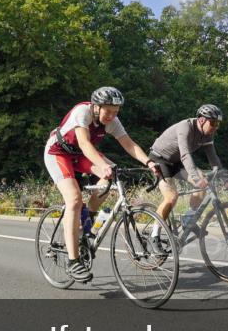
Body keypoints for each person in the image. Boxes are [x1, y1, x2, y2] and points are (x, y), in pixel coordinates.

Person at [43, 87, 161, 283]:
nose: (112, 115)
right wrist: (102, 165)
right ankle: (73, 261)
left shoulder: (112, 120)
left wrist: (148, 162)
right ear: (96, 107)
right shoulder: (82, 112)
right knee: (73, 199)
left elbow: (129, 144)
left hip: (80, 156)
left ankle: (87, 218)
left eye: (116, 112)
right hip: (58, 153)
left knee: (113, 174)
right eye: (108, 111)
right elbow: (84, 143)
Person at [148, 104, 228, 241]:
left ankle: (188, 219)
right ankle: (154, 234)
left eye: (218, 124)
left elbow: (213, 158)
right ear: (202, 120)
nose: (215, 127)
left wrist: (226, 178)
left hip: (176, 162)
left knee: (203, 183)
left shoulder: (207, 135)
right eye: (213, 123)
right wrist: (196, 179)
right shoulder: (185, 127)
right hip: (159, 160)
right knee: (171, 197)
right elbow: (185, 155)